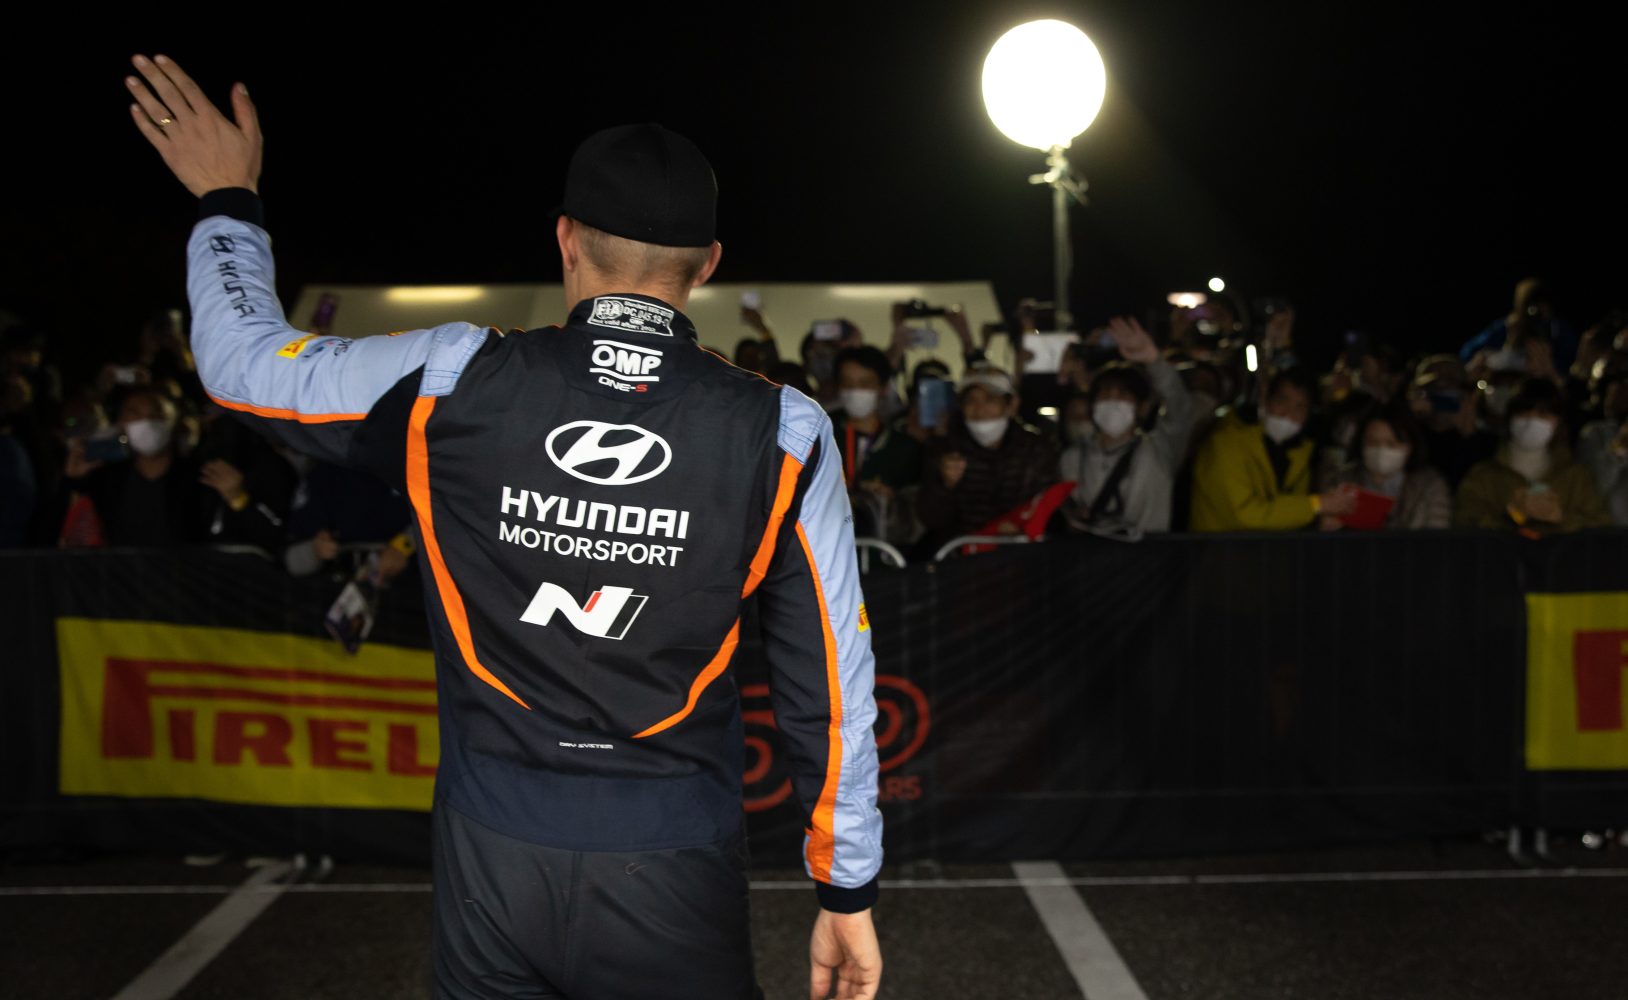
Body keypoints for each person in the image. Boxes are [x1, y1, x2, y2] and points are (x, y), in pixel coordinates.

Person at [125, 54, 882, 1000]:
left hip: (491, 851)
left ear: (565, 240)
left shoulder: (449, 379)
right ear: (709, 264)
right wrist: (846, 886)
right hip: (670, 858)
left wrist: (228, 199)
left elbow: (242, 364)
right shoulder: (784, 431)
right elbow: (831, 680)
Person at [1058, 316, 1194, 534]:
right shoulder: (1073, 458)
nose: (1113, 401)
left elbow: (1180, 409)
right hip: (1091, 553)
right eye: (1105, 394)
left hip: (1150, 553)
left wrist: (1154, 361)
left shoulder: (1160, 449)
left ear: (1142, 407)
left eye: (1123, 394)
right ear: (1093, 405)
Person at [1189, 367, 1359, 532]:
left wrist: (1319, 519)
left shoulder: (1299, 452)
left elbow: (1291, 514)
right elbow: (1245, 516)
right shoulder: (1225, 444)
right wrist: (1317, 505)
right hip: (1218, 549)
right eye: (1282, 401)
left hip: (1264, 549)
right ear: (1266, 400)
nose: (1288, 413)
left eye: (1300, 407)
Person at [916, 364, 1058, 547]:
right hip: (963, 555)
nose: (979, 409)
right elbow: (931, 519)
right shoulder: (944, 449)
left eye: (990, 400)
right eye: (970, 400)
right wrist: (944, 485)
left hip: (1023, 553)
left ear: (1011, 405)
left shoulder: (1036, 449)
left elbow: (1051, 508)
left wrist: (1021, 526)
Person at [1454, 378, 1611, 532]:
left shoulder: (1576, 478)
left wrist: (1562, 518)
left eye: (1543, 414)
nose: (1532, 420)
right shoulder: (1483, 477)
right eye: (1524, 412)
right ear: (1509, 418)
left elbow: (1601, 526)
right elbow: (1464, 523)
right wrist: (1511, 516)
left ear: (1558, 422)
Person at [1318, 404, 1452, 530]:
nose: (1381, 450)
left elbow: (1438, 535)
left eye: (1391, 444)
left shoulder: (1430, 486)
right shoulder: (1339, 483)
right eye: (1373, 442)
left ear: (1410, 447)